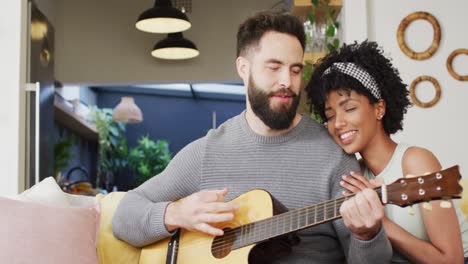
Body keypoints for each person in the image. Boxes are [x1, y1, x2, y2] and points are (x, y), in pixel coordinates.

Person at [112, 12, 392, 263]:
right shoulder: (208, 151)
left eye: (295, 70)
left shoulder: (333, 155)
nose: (287, 81)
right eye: (274, 67)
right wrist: (176, 213)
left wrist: (368, 235)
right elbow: (125, 217)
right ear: (243, 69)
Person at [305, 40, 468, 263]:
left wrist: (382, 224)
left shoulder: (416, 161)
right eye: (330, 116)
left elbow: (453, 260)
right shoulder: (355, 175)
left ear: (379, 108)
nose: (338, 123)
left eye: (350, 108)